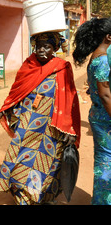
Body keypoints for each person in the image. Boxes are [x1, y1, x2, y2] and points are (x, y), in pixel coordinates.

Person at [0, 32, 81, 205]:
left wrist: (71, 128)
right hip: (26, 126)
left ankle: (41, 197)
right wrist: (1, 112)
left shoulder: (62, 67)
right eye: (39, 46)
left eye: (47, 46)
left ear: (54, 49)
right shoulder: (28, 66)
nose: (41, 50)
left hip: (51, 128)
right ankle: (22, 197)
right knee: (20, 160)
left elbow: (70, 99)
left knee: (46, 165)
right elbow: (16, 93)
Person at [72, 17, 111, 205]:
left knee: (103, 159)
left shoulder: (95, 57)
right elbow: (105, 95)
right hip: (106, 118)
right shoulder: (103, 61)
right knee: (106, 161)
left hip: (97, 116)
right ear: (109, 37)